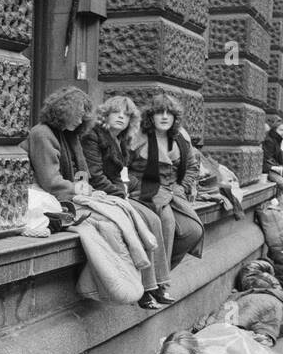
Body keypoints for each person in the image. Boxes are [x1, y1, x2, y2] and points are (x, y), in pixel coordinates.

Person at [79, 96, 174, 306]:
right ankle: (146, 290)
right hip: (97, 194)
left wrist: (125, 190)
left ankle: (160, 284)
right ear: (105, 114)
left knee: (155, 220)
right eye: (116, 112)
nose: (122, 117)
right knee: (141, 222)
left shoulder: (120, 140)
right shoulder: (93, 136)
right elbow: (95, 175)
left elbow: (117, 175)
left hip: (114, 193)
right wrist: (121, 195)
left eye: (127, 114)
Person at [138, 91, 204, 269]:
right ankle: (158, 283)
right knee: (166, 225)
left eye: (170, 113)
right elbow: (128, 167)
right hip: (148, 191)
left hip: (175, 191)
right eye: (160, 112)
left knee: (193, 231)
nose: (165, 117)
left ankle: (163, 272)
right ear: (151, 116)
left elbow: (192, 166)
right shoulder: (139, 136)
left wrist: (182, 186)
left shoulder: (180, 137)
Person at [25, 87, 95, 209]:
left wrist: (90, 191)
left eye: (82, 117)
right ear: (64, 112)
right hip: (41, 198)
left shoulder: (70, 135)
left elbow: (81, 175)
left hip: (64, 196)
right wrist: (86, 191)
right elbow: (51, 182)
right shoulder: (42, 133)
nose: (79, 121)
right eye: (77, 116)